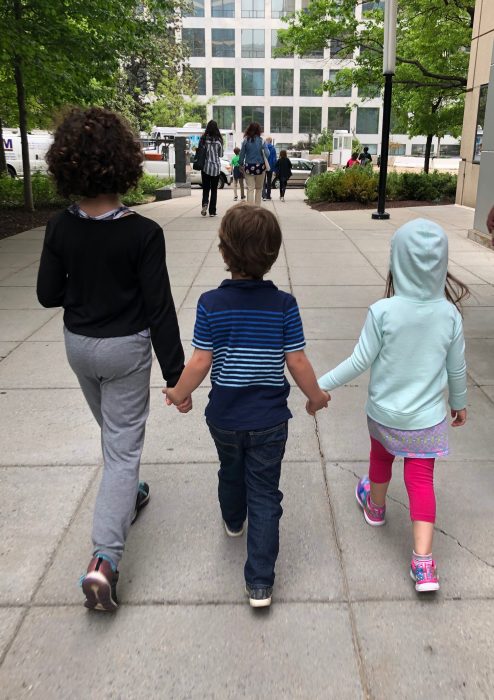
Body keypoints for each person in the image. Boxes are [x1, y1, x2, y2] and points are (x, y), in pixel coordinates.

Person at [37, 107, 187, 612]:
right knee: (121, 447)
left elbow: (45, 294)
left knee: (114, 433)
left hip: (79, 345)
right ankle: (104, 561)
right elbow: (159, 308)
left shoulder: (60, 228)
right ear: (124, 163)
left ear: (66, 166)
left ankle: (131, 491)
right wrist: (177, 377)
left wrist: (83, 285)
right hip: (126, 348)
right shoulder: (142, 233)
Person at [165, 204, 330, 607]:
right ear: (272, 255)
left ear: (224, 252)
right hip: (270, 420)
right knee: (265, 492)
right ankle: (259, 583)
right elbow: (298, 361)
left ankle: (234, 521)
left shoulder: (210, 304)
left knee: (230, 469)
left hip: (224, 417)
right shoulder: (285, 306)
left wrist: (179, 392)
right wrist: (316, 397)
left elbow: (201, 360)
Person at [315, 219, 468, 594]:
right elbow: (457, 368)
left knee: (380, 459)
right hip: (426, 421)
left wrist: (318, 385)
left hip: (384, 415)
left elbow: (358, 361)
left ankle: (376, 508)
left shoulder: (382, 311)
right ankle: (424, 564)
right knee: (421, 481)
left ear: (396, 263)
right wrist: (460, 403)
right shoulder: (449, 315)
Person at [238, 122, 269, 206]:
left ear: (249, 130)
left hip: (249, 167)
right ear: (259, 130)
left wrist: (240, 164)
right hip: (260, 167)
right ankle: (257, 207)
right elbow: (267, 154)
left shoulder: (245, 140)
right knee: (259, 188)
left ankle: (250, 208)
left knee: (250, 188)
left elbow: (241, 155)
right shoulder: (262, 140)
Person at [200, 120, 224, 217]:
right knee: (214, 190)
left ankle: (205, 203)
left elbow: (200, 151)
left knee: (206, 188)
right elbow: (221, 155)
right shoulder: (219, 140)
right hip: (216, 168)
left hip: (205, 167)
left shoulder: (203, 139)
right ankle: (212, 211)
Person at [262, 137, 278, 201]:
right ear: (271, 141)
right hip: (270, 167)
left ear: (267, 141)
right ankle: (268, 196)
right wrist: (274, 169)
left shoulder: (263, 147)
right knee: (269, 182)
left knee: (262, 182)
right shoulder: (273, 148)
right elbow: (274, 160)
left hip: (263, 166)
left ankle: (263, 195)